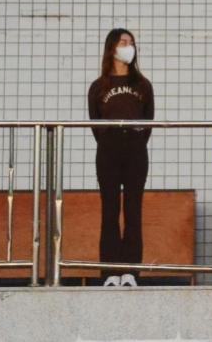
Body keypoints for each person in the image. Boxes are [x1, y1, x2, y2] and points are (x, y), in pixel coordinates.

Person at [88, 28, 154, 287]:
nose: (129, 47)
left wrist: (134, 141)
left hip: (136, 150)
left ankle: (131, 272)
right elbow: (95, 122)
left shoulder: (142, 84)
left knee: (133, 211)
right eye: (124, 42)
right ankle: (109, 272)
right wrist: (111, 141)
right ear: (112, 48)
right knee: (110, 210)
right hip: (108, 151)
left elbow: (148, 120)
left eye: (132, 43)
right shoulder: (98, 86)